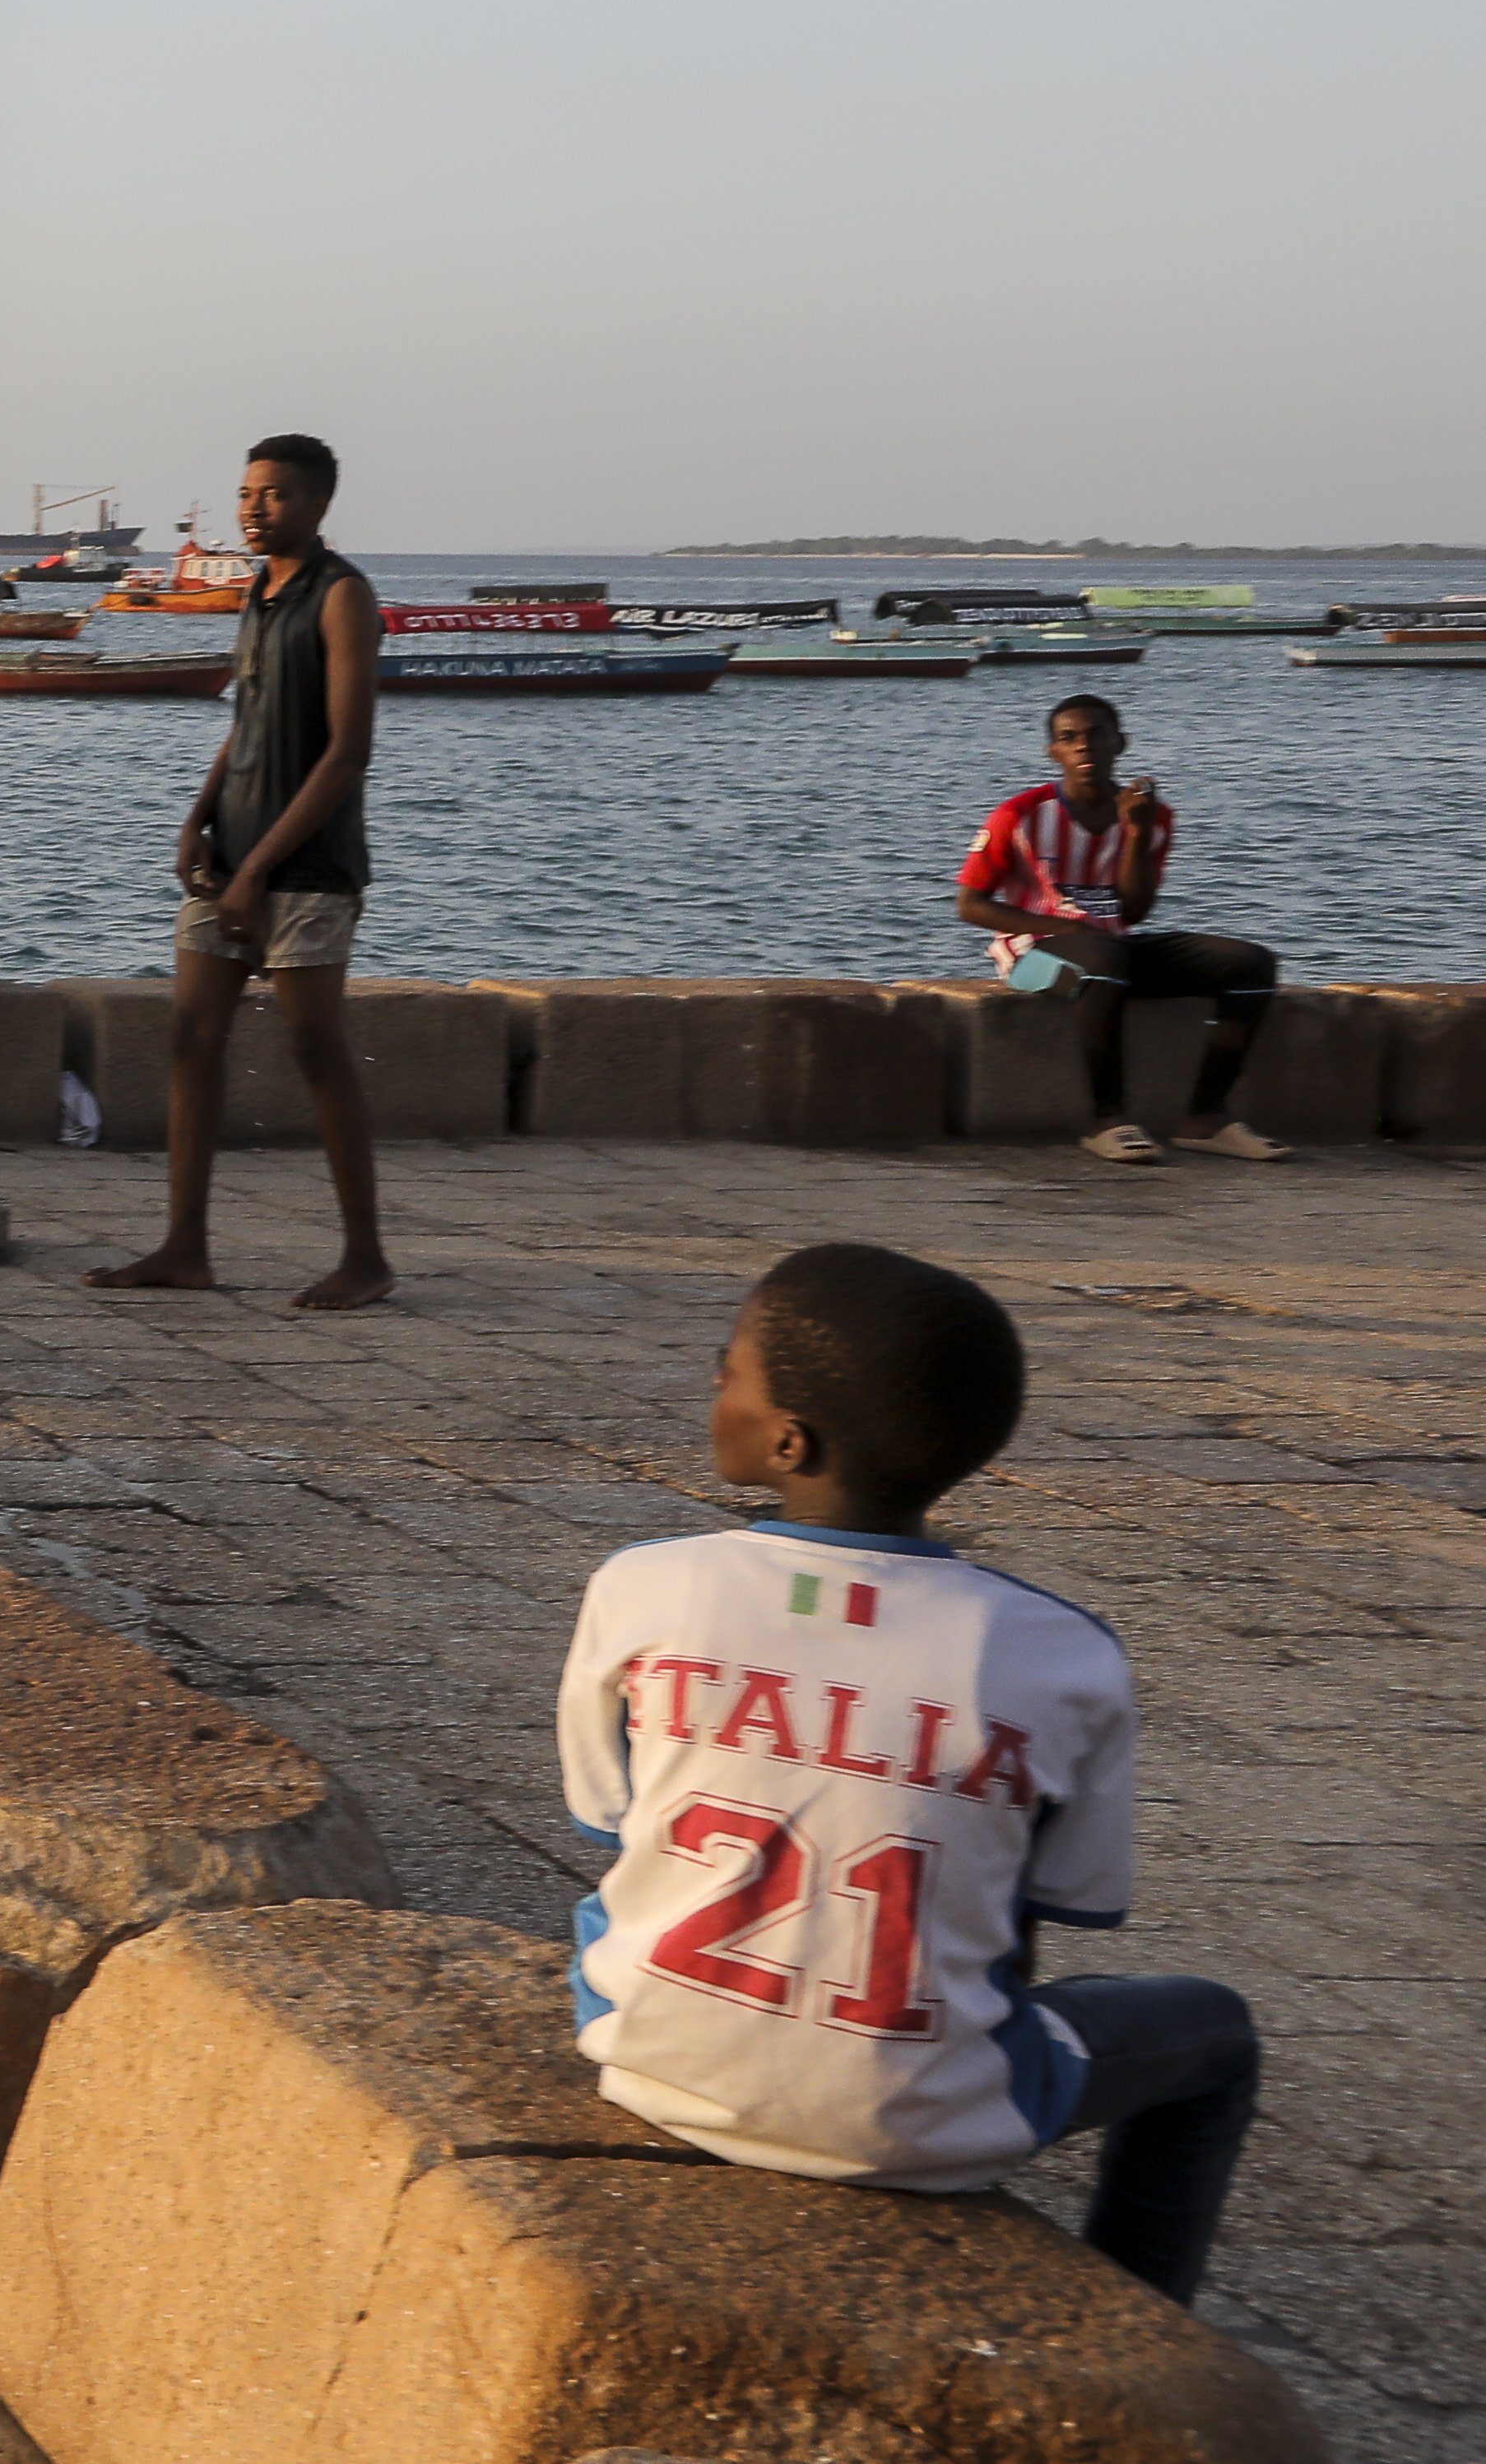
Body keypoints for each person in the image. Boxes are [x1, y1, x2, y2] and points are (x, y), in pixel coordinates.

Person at [558, 1243, 1257, 2308]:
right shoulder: (1061, 1651)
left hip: (647, 2059)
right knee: (1214, 2030)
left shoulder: (644, 1584)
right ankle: (1137, 2312)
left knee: (618, 1890)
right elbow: (1052, 1906)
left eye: (725, 1366)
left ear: (789, 1439)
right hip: (919, 2122)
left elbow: (611, 1821)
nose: (712, 1381)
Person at [85, 434, 392, 1312]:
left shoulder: (342, 597)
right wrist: (197, 816)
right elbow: (247, 720)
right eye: (247, 493)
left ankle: (365, 1256)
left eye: (275, 495)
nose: (254, 509)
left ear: (320, 504)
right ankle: (185, 1246)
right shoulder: (258, 591)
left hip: (306, 868)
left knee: (316, 1050)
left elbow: (347, 752)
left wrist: (260, 865)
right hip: (230, 856)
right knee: (191, 1040)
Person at [954, 696, 1288, 1165]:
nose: (1084, 746)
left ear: (1120, 743)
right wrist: (1058, 925)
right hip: (1033, 956)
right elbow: (970, 904)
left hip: (1112, 945)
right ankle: (1105, 1119)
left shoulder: (1152, 817)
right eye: (1069, 739)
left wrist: (1134, 833)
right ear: (1054, 752)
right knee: (1103, 963)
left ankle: (1206, 1118)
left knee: (1250, 964)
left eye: (1096, 735)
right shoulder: (1020, 815)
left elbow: (1133, 912)